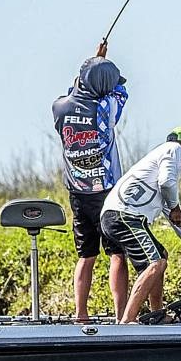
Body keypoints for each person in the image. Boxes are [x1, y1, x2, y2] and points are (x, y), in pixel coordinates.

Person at [100, 126, 181, 324]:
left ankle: (157, 314)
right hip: (123, 215)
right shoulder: (172, 149)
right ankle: (127, 320)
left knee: (161, 255)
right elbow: (168, 182)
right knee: (156, 262)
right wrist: (175, 206)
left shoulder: (161, 184)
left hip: (121, 217)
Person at [52, 41, 129, 323]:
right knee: (117, 254)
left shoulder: (59, 108)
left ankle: (80, 314)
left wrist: (94, 63)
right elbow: (121, 92)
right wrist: (103, 71)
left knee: (86, 255)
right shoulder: (105, 109)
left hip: (77, 194)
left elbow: (75, 91)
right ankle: (123, 316)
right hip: (107, 193)